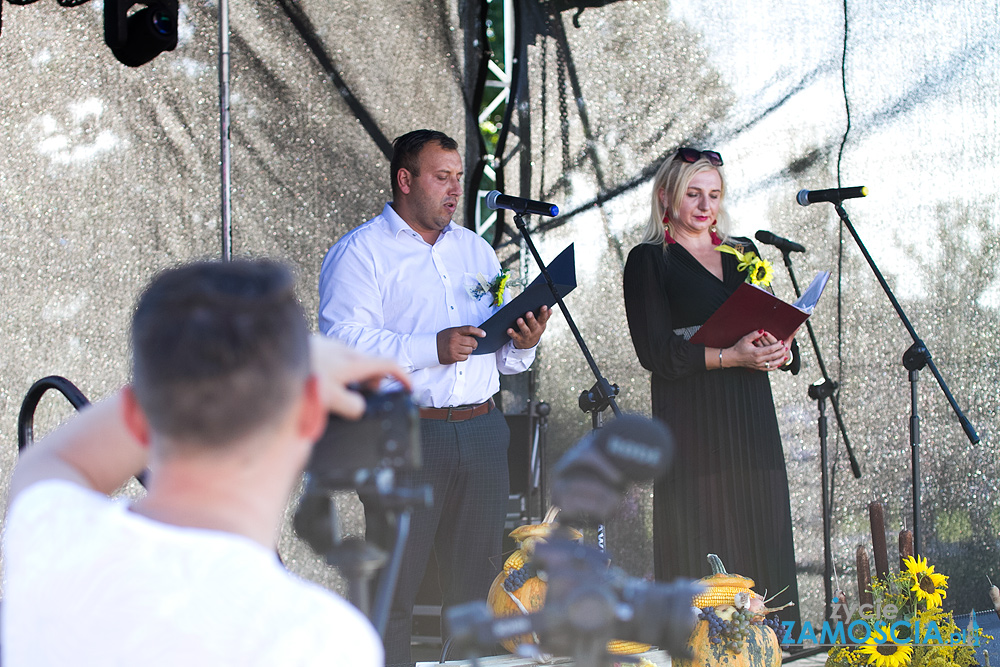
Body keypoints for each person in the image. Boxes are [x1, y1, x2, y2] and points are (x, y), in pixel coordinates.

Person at [2, 259, 409, 667]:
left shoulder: (49, 538)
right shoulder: (320, 641)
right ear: (310, 414)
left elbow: (58, 457)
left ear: (134, 414)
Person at [318, 129, 550, 665]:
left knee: (476, 591)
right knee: (394, 591)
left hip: (483, 429)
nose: (453, 190)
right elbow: (343, 344)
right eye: (441, 177)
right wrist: (431, 347)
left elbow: (497, 347)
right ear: (405, 179)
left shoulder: (475, 249)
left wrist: (523, 345)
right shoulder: (360, 252)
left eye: (457, 179)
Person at [622, 147, 801, 624]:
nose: (705, 206)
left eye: (714, 195)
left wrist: (779, 350)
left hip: (751, 416)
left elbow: (770, 323)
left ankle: (773, 644)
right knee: (707, 537)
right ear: (666, 197)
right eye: (693, 194)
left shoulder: (743, 252)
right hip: (693, 420)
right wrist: (730, 356)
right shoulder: (648, 261)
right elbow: (656, 354)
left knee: (762, 528)